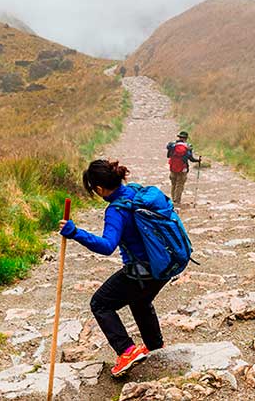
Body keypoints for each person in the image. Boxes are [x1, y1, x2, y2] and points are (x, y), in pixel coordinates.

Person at [59, 160, 168, 377]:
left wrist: (75, 232)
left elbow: (107, 246)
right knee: (140, 300)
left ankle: (126, 351)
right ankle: (155, 347)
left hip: (142, 270)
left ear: (99, 189)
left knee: (100, 303)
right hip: (163, 264)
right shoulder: (136, 193)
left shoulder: (116, 210)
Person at [166, 131, 201, 205]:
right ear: (186, 138)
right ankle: (177, 201)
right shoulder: (188, 146)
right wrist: (198, 160)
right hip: (183, 169)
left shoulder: (172, 145)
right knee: (180, 185)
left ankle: (173, 200)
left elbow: (168, 156)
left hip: (172, 168)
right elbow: (191, 159)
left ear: (179, 137)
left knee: (173, 184)